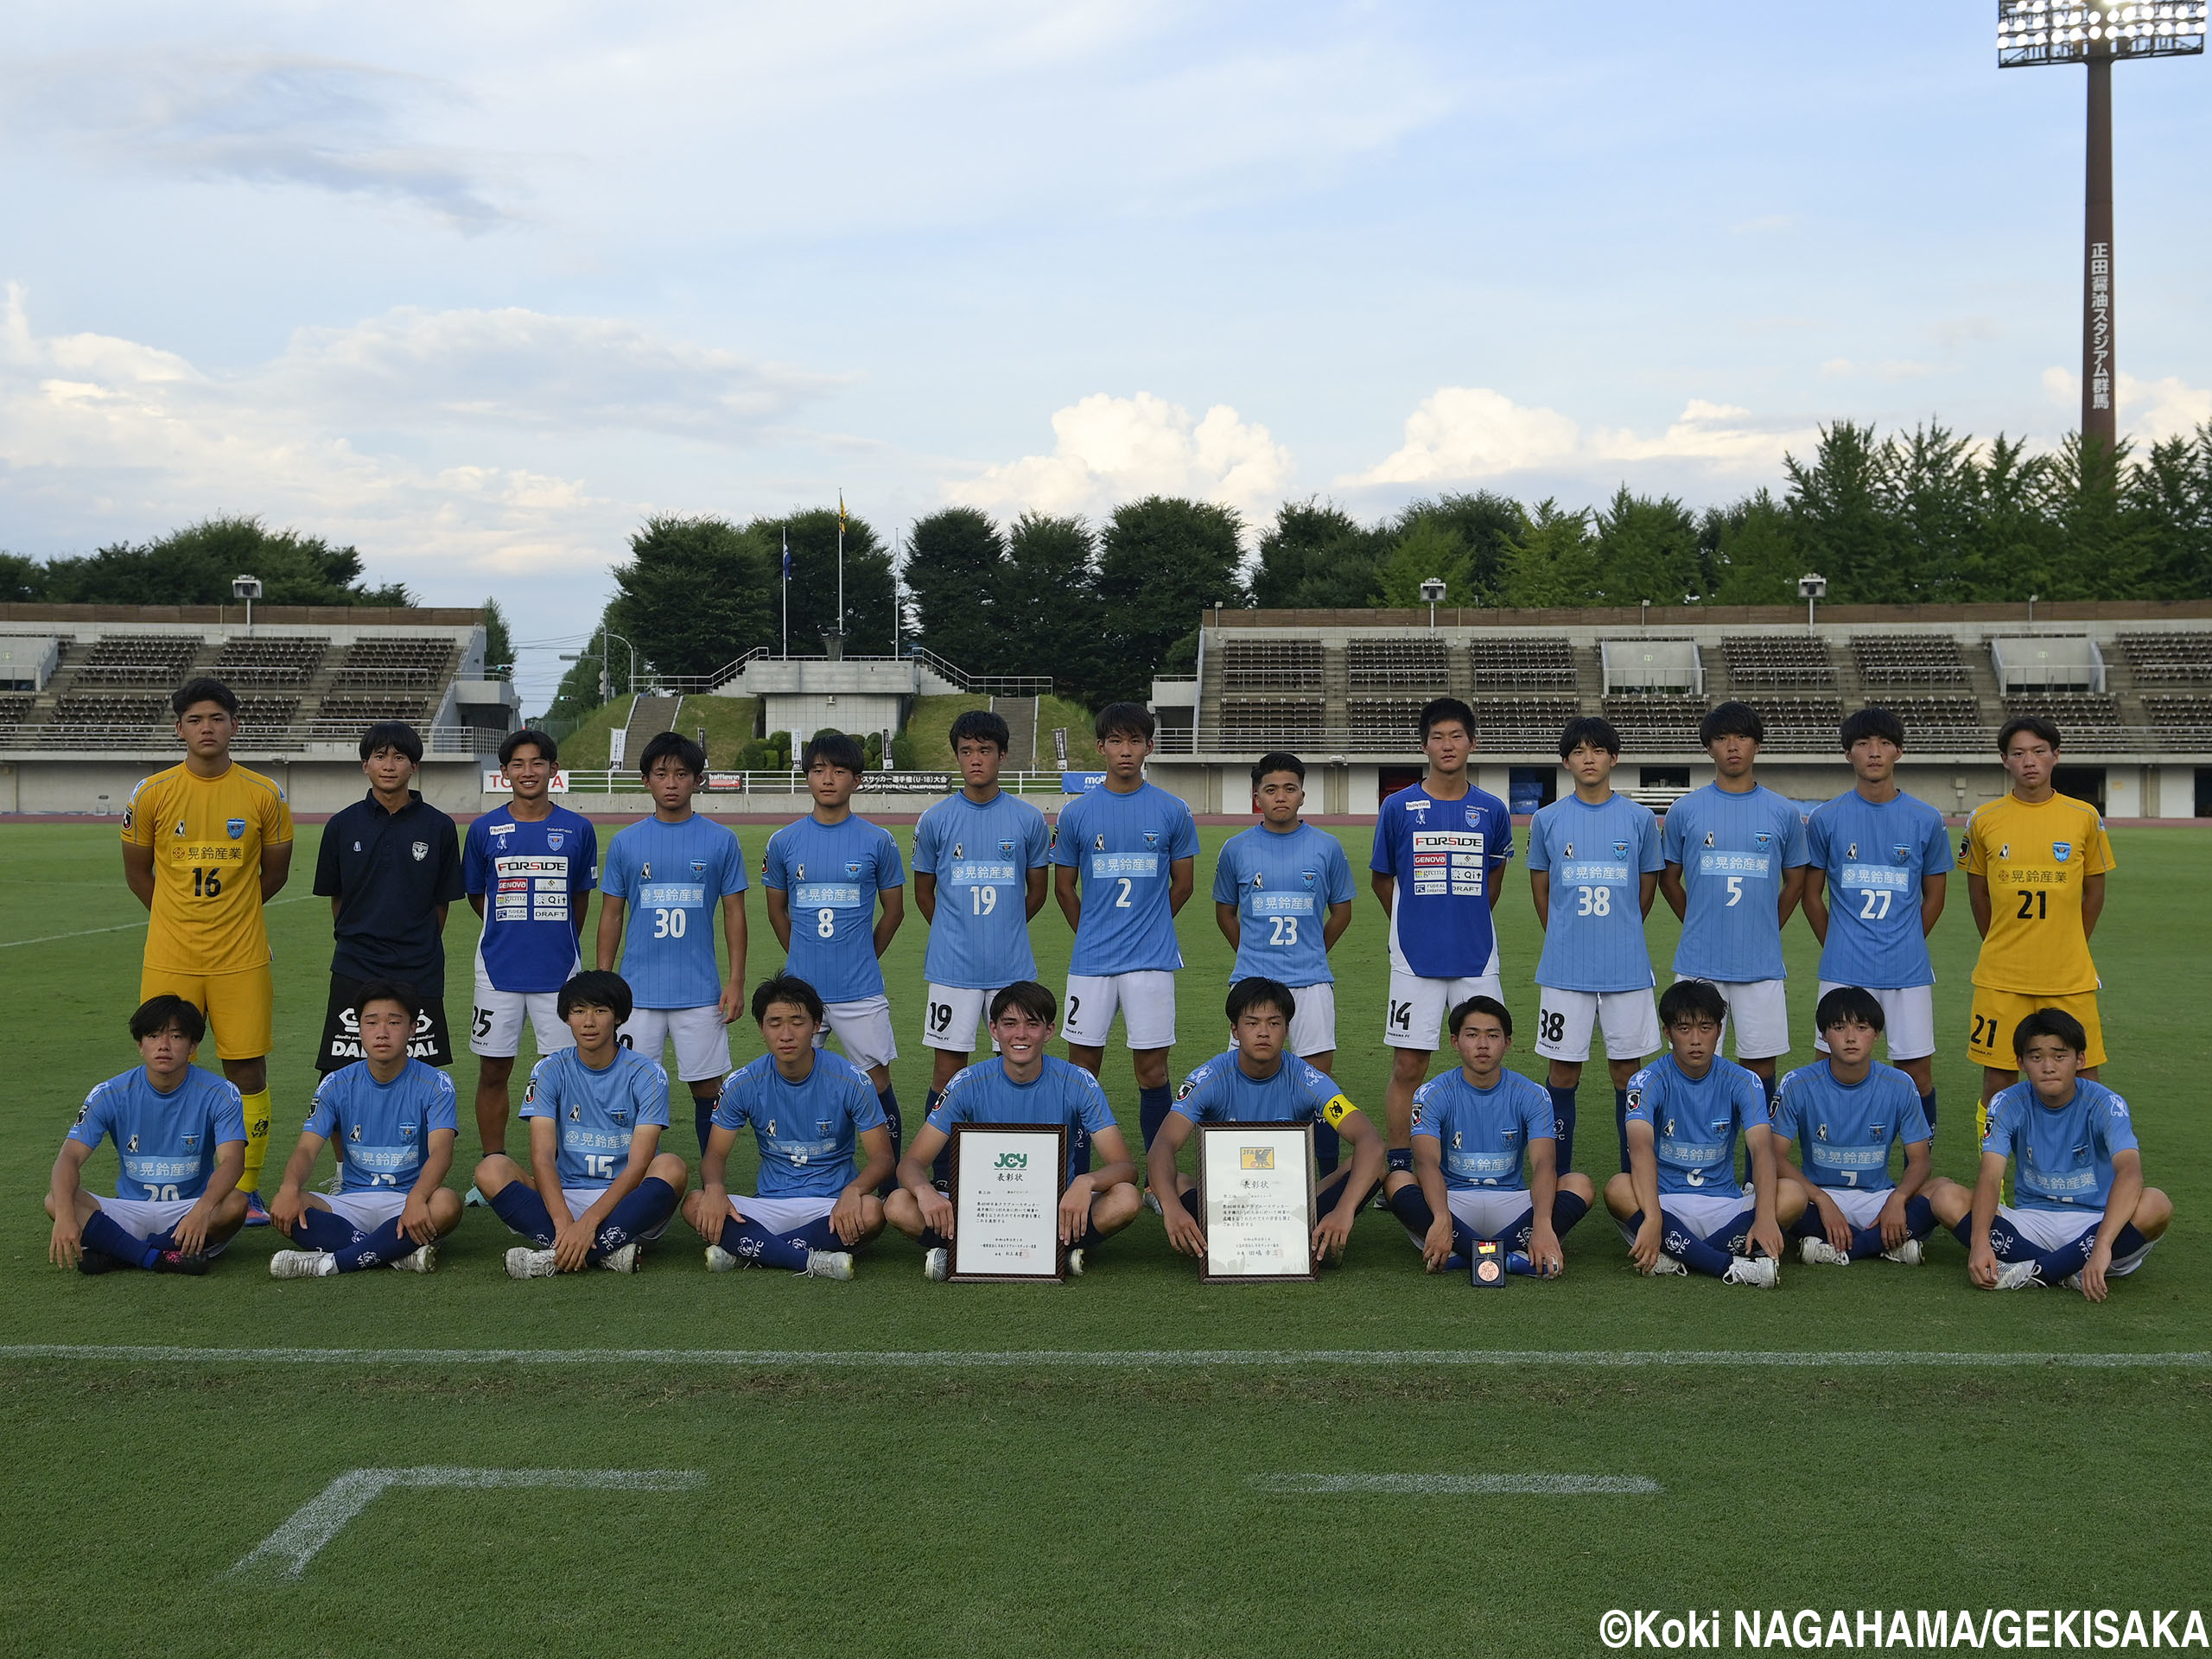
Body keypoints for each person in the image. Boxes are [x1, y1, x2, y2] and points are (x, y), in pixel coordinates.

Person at [120, 677, 294, 1224]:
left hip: (240, 957)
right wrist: (178, 917)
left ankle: (248, 1190)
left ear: (234, 725)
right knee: (166, 1068)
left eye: (217, 718)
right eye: (195, 720)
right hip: (170, 956)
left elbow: (275, 873)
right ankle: (169, 1183)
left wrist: (231, 914)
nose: (207, 728)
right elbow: (137, 871)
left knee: (246, 1069)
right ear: (179, 729)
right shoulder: (152, 792)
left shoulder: (264, 793)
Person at [890, 980, 1144, 1281]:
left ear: (1049, 1031)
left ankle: (990, 1252)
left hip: (1054, 1210)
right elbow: (912, 1163)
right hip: (983, 1209)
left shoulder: (1078, 1081)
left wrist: (1085, 1182)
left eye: (1032, 1024)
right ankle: (1049, 1253)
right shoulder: (966, 1082)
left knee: (1126, 1198)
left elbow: (1125, 1168)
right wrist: (924, 1191)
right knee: (897, 1205)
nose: (1020, 1035)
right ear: (994, 1030)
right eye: (1009, 1024)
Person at [1926, 1010, 2171, 1299]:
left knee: (2157, 1204)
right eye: (2036, 1057)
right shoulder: (2006, 1102)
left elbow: (2130, 1172)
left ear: (2080, 1060)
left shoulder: (2107, 1103)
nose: (2048, 1067)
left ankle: (2037, 1271)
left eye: (2059, 1055)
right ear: (2021, 1063)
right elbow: (1991, 1176)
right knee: (1945, 1198)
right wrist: (1979, 1241)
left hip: (2096, 1226)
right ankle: (2068, 1270)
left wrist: (2103, 1243)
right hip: (2032, 1222)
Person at [1370, 696, 1513, 1179]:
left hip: (1476, 959)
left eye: (1456, 736)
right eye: (1437, 736)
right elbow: (1382, 879)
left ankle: (1477, 1159)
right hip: (1414, 960)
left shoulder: (1492, 809)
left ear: (1472, 743)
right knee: (1409, 1067)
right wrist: (1416, 921)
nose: (1447, 745)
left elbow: (1493, 880)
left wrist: (1461, 916)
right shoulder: (1398, 807)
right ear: (1423, 744)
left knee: (1484, 1062)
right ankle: (1398, 1164)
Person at [1148, 977, 1386, 1266]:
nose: (1263, 1033)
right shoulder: (1209, 1079)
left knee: (1372, 1166)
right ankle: (1308, 1242)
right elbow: (1163, 1144)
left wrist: (1345, 1210)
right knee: (1175, 1182)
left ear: (1286, 1029)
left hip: (1289, 1203)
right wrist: (1172, 1208)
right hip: (1227, 1205)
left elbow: (1370, 1141)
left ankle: (1310, 1233)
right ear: (1235, 1029)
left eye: (1274, 1023)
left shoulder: (1309, 1079)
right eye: (1252, 1023)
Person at [472, 970, 688, 1277]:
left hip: (627, 1203)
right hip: (564, 1198)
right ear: (566, 1017)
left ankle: (558, 1255)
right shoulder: (549, 1069)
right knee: (490, 1169)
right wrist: (563, 1221)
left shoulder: (648, 1074)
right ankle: (604, 1253)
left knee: (672, 1167)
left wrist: (588, 1223)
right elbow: (542, 1156)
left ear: (619, 1017)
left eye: (600, 1010)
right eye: (578, 1011)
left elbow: (640, 1165)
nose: (589, 1021)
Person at [911, 709, 1051, 1180]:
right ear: (957, 757)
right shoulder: (935, 819)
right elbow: (924, 892)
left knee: (1015, 1065)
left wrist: (1003, 926)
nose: (976, 760)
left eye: (985, 751)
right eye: (967, 751)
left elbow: (1037, 891)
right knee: (947, 1071)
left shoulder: (1028, 818)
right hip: (952, 969)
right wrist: (957, 929)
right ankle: (947, 1173)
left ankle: (1008, 1165)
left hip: (1013, 968)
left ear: (1003, 756)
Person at [1961, 716, 2114, 1142]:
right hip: (2001, 977)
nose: (2030, 761)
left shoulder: (2084, 817)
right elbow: (1979, 897)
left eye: (2039, 751)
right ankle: (2000, 1186)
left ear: (2056, 756)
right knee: (1997, 1084)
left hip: (2069, 975)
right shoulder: (1984, 819)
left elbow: (2094, 894)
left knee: (2087, 1078)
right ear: (2004, 761)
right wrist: (2003, 943)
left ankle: (2090, 1181)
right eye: (2018, 753)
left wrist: (2068, 944)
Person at [1052, 702, 1198, 1148]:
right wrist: (1095, 930)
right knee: (1082, 1070)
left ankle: (1159, 1179)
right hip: (1091, 962)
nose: (1125, 750)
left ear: (1149, 746)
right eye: (1116, 741)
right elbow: (1064, 888)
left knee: (1153, 1071)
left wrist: (1146, 922)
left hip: (1151, 962)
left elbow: (1184, 884)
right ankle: (1071, 1169)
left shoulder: (1173, 810)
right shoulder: (1076, 814)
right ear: (1100, 747)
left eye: (1135, 741)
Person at [1799, 706, 1950, 1132]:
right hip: (1844, 968)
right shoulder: (1826, 819)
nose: (1874, 752)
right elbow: (1812, 897)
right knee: (1827, 1064)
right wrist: (1840, 943)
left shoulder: (1927, 819)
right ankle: (1823, 1162)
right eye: (1863, 744)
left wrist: (1905, 941)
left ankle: (1917, 1169)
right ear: (1848, 754)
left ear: (1899, 751)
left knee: (1917, 1071)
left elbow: (1935, 896)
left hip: (1908, 969)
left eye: (1884, 743)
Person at [596, 730, 748, 1154]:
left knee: (706, 1088)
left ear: (697, 780)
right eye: (661, 773)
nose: (671, 782)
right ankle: (624, 1182)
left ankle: (710, 1180)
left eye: (682, 774)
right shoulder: (626, 841)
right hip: (635, 994)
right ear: (646, 780)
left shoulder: (721, 840)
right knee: (628, 1090)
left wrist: (735, 982)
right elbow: (612, 914)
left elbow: (735, 914)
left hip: (700, 992)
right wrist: (604, 981)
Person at [684, 975, 892, 1281]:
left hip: (832, 1205)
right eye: (775, 1023)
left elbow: (883, 1159)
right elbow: (715, 1154)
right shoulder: (743, 1083)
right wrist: (714, 1188)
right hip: (769, 1204)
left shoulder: (852, 1080)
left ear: (817, 1025)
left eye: (797, 1022)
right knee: (695, 1203)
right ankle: (809, 1258)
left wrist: (854, 1190)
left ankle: (749, 1249)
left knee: (873, 1211)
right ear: (761, 1028)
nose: (786, 1034)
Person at [1524, 715, 1662, 1174]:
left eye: (1598, 750)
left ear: (1613, 758)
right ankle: (1558, 1179)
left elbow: (1647, 888)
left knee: (1628, 1073)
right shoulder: (1547, 819)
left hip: (1626, 967)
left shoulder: (1640, 819)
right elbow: (1541, 889)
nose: (1589, 758)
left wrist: (1620, 930)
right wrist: (1565, 934)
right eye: (1579, 751)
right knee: (1563, 1073)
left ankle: (1633, 1178)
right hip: (1565, 969)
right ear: (1566, 761)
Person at [761, 732, 907, 1154]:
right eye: (818, 770)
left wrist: (862, 955)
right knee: (792, 1074)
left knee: (876, 1080)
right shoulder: (784, 842)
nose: (828, 779)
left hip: (860, 988)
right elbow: (777, 911)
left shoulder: (878, 840)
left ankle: (891, 1180)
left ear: (856, 780)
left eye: (839, 771)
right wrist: (803, 957)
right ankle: (799, 1166)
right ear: (806, 776)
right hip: (801, 991)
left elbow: (894, 912)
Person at [1602, 978, 1801, 1287]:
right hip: (1665, 1203)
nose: (1696, 1040)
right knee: (1617, 1188)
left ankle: (1678, 1253)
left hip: (1725, 1204)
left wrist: (1763, 1216)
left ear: (1719, 1031)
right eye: (1684, 1029)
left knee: (1792, 1195)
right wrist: (1653, 1218)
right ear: (1667, 1033)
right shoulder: (1646, 1081)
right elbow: (1639, 1149)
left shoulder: (1744, 1081)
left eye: (1705, 1028)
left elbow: (1761, 1149)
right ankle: (1727, 1262)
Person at [1656, 701, 1810, 1098]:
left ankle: (1755, 1161)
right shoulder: (1684, 810)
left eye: (1742, 737)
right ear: (1709, 748)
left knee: (1759, 1070)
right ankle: (1700, 1157)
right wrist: (1698, 921)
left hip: (1760, 964)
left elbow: (1796, 880)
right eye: (1722, 739)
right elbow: (1668, 879)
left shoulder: (1783, 812)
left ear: (1757, 745)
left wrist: (1765, 925)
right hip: (1698, 961)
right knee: (1693, 1064)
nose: (1732, 747)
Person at [1212, 752, 1356, 1169]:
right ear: (1256, 795)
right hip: (1252, 984)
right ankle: (1237, 1168)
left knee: (1319, 1083)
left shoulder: (1326, 847)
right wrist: (1252, 953)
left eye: (1289, 788)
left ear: (1303, 795)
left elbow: (1341, 912)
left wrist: (1311, 950)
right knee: (1244, 1075)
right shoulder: (1236, 848)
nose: (1280, 797)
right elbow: (1225, 912)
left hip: (1310, 980)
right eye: (1271, 789)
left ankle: (1323, 1175)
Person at [1384, 995, 1595, 1278]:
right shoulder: (1431, 1093)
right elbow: (1426, 1164)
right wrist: (1442, 1217)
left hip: (1513, 1204)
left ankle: (1465, 1256)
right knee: (1397, 1179)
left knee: (1579, 1184)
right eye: (1472, 1035)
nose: (1482, 1045)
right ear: (1455, 1042)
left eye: (1492, 1035)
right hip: (1452, 1202)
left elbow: (1545, 1165)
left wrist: (1544, 1223)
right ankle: (1508, 1258)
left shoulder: (1532, 1094)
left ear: (1507, 1043)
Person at [462, 728, 598, 1162]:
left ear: (553, 770)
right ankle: (493, 1164)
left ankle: (563, 1164)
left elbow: (580, 900)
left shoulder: (578, 828)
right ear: (503, 773)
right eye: (517, 764)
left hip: (559, 973)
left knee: (563, 1073)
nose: (528, 771)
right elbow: (478, 897)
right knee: (494, 1069)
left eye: (537, 762)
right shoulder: (484, 829)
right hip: (497, 971)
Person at [266, 981, 463, 1277]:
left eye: (394, 1022)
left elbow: (441, 1153)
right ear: (359, 1028)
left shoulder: (436, 1083)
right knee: (288, 1206)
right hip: (349, 1202)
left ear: (412, 1029)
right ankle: (395, 1253)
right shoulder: (335, 1083)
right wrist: (288, 1188)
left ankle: (335, 1262)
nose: (382, 1032)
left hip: (408, 1199)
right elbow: (307, 1149)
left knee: (448, 1203)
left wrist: (417, 1198)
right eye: (371, 1022)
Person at [45, 995, 248, 1274]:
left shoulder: (221, 1093)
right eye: (153, 1036)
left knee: (236, 1203)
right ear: (140, 1045)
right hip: (129, 1210)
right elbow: (68, 1158)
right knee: (56, 1200)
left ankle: (120, 1253)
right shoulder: (109, 1093)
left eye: (176, 1036)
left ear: (193, 1046)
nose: (163, 1045)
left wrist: (202, 1211)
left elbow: (233, 1162)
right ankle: (159, 1257)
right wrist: (66, 1217)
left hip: (189, 1210)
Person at [313, 721, 464, 1086]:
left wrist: (417, 942)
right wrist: (358, 938)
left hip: (419, 966)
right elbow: (339, 898)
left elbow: (441, 903)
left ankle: (423, 1146)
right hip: (355, 963)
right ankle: (347, 1147)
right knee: (339, 1074)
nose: (389, 765)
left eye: (399, 757)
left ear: (415, 766)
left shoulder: (440, 827)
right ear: (365, 765)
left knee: (424, 1075)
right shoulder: (341, 825)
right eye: (380, 756)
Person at [1770, 986, 1936, 1268]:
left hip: (1878, 1199)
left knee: (1941, 1193)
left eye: (1861, 1027)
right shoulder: (1797, 1083)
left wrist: (1898, 1198)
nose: (1850, 1038)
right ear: (1823, 1035)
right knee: (1775, 1196)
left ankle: (1829, 1246)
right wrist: (1822, 1199)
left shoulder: (1900, 1084)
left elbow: (1920, 1161)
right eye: (1838, 1027)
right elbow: (1774, 1156)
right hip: (1815, 1197)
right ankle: (1885, 1243)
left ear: (1877, 1034)